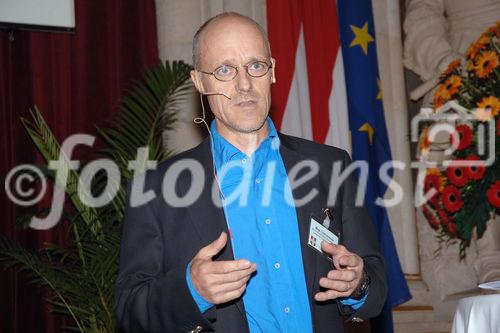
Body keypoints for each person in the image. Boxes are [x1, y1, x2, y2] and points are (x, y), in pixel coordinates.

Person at [115, 12, 386, 333]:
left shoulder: (330, 166)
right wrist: (192, 290)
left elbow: (376, 288)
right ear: (199, 82)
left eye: (256, 66)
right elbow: (130, 310)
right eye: (224, 70)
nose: (244, 84)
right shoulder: (156, 188)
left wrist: (358, 284)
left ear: (272, 71)